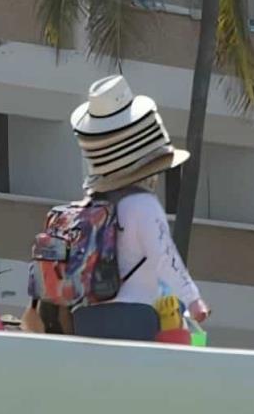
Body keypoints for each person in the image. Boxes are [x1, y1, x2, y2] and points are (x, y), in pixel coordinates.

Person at [64, 74, 210, 341]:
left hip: (84, 319)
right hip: (132, 318)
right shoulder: (142, 205)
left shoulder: (90, 205)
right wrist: (193, 300)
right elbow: (164, 256)